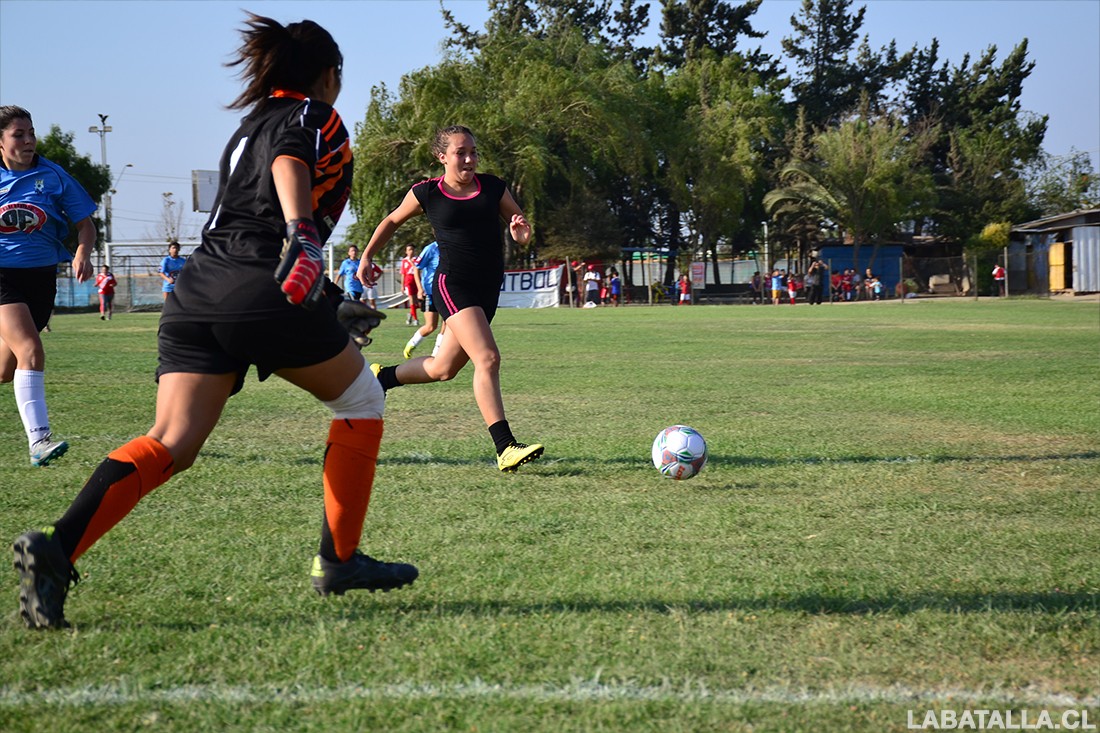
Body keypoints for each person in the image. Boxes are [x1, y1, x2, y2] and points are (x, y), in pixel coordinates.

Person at [11, 14, 414, 631]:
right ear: (329, 75)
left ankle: (58, 548)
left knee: (172, 441)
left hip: (198, 292)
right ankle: (340, 560)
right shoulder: (311, 115)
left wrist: (326, 293)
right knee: (361, 399)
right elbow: (288, 165)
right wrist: (304, 235)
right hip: (261, 286)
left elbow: (251, 208)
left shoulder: (245, 127)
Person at [359, 125, 543, 473]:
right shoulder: (426, 193)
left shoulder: (493, 187)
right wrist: (368, 256)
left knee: (444, 369)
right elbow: (392, 220)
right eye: (462, 152)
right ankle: (505, 447)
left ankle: (382, 377)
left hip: (487, 289)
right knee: (487, 358)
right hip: (452, 284)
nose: (470, 159)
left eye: (473, 151)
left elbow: (519, 229)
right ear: (442, 157)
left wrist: (522, 234)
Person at [0, 105, 97, 467]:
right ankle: (39, 442)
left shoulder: (53, 176)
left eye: (30, 133)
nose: (28, 141)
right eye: (17, 135)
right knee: (31, 350)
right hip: (2, 277)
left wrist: (82, 253)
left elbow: (85, 225)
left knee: (6, 370)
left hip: (41, 279)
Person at [403, 240, 444, 359]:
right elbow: (416, 267)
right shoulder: (431, 248)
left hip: (446, 291)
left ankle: (436, 353)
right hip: (430, 292)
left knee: (447, 323)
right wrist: (420, 288)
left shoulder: (451, 246)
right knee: (431, 326)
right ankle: (412, 343)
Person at [399, 244, 419, 325]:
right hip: (408, 281)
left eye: (412, 249)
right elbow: (403, 274)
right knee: (411, 299)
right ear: (406, 252)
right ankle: (415, 319)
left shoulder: (416, 259)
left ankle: (411, 314)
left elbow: (418, 269)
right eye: (409, 250)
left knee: (417, 302)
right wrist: (402, 285)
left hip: (416, 281)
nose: (411, 251)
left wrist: (412, 262)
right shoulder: (404, 261)